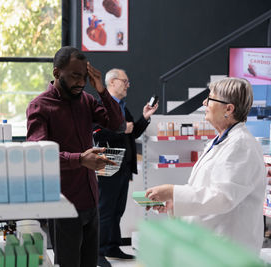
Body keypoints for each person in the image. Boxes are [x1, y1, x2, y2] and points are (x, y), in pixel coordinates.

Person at [26, 46, 124, 267]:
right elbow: (37, 155)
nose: (80, 82)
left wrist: (101, 90)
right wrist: (79, 159)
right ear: (57, 73)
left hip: (91, 202)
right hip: (63, 205)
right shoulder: (40, 106)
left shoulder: (86, 100)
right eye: (74, 76)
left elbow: (117, 124)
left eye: (84, 76)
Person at [145, 77, 266, 253]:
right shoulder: (219, 141)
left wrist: (173, 191)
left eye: (210, 99)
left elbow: (223, 197)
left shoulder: (241, 145)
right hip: (210, 246)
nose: (204, 103)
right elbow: (205, 190)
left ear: (229, 109)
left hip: (229, 249)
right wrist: (175, 202)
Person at [93, 69, 158, 266]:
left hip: (123, 165)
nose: (128, 85)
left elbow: (132, 132)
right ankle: (97, 252)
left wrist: (144, 117)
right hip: (108, 162)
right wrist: (123, 129)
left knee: (117, 209)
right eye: (125, 81)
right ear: (112, 82)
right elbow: (97, 133)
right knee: (105, 209)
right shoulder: (102, 106)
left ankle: (112, 246)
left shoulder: (122, 106)